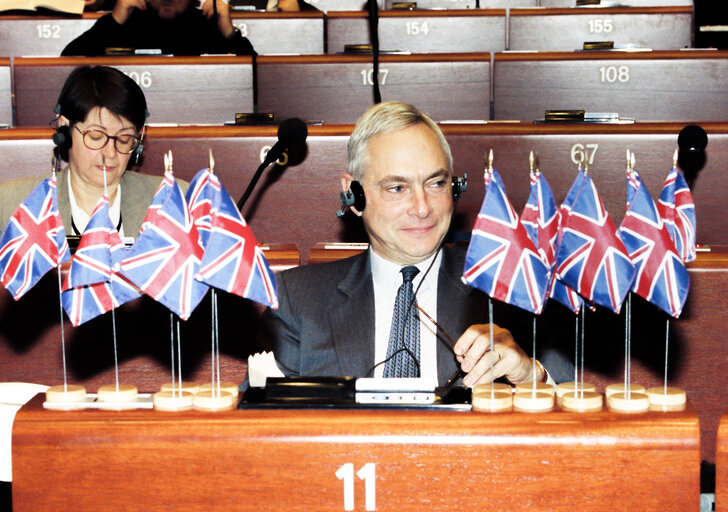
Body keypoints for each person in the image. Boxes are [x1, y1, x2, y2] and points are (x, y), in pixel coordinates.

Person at [257, 101, 572, 388]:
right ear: (353, 194)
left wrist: (532, 376)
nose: (422, 208)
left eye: (436, 183)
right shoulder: (296, 301)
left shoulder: (508, 285)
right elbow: (252, 432)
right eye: (397, 187)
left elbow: (577, 410)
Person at [0, 65, 185, 240]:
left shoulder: (172, 200)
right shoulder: (11, 204)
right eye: (96, 136)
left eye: (124, 139)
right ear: (65, 129)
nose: (110, 154)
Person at [62, 0, 256, 56]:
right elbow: (67, 63)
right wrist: (114, 20)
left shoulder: (205, 24)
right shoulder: (124, 23)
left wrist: (230, 34)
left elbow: (254, 83)